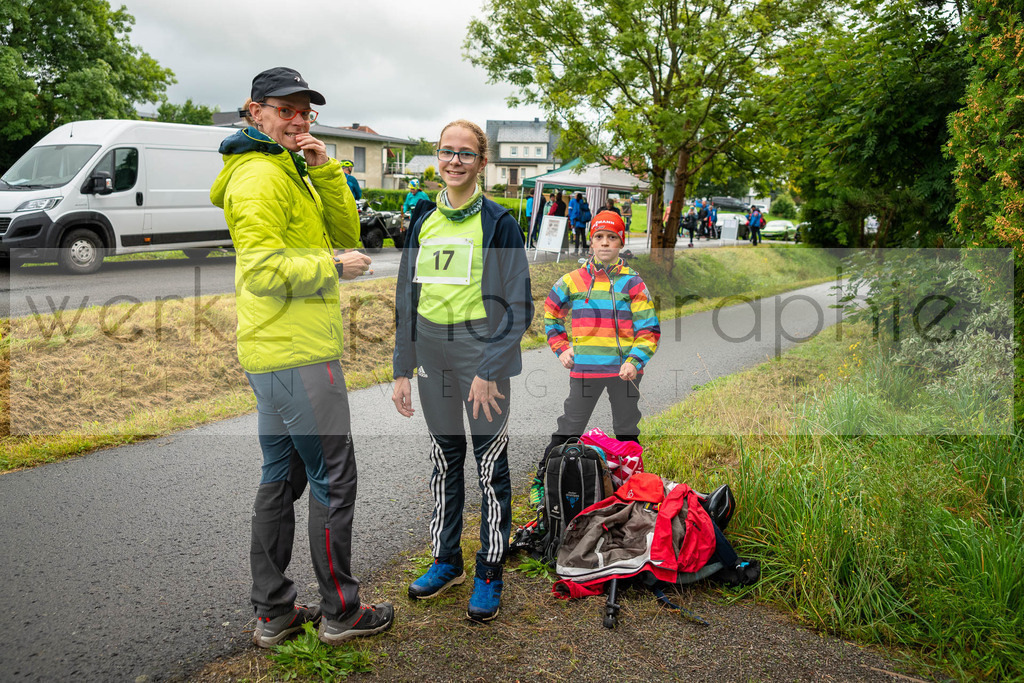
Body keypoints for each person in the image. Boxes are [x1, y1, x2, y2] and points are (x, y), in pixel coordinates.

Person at [210, 66, 393, 649]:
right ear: (254, 111)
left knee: (282, 477)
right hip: (297, 355)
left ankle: (274, 613)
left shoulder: (291, 168)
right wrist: (332, 266)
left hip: (281, 352)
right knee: (333, 480)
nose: (297, 120)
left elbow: (346, 231)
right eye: (285, 110)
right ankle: (342, 613)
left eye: (305, 112)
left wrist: (325, 170)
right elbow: (263, 271)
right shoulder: (259, 176)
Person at [391, 119, 533, 623]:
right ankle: (446, 560)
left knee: (489, 464)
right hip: (432, 354)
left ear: (482, 162)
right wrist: (402, 366)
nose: (455, 160)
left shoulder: (499, 223)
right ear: (437, 156)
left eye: (466, 153)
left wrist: (489, 369)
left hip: (481, 354)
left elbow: (518, 305)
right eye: (447, 151)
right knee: (445, 459)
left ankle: (489, 571)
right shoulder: (424, 219)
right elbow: (407, 297)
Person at [542, 210, 660, 460]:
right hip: (585, 369)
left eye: (612, 237)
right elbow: (552, 313)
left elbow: (648, 329)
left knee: (627, 430)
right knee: (569, 428)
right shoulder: (571, 281)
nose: (605, 242)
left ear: (621, 242)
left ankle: (632, 478)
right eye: (599, 236)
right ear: (591, 241)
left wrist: (634, 362)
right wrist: (561, 348)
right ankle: (545, 475)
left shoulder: (633, 282)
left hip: (625, 372)